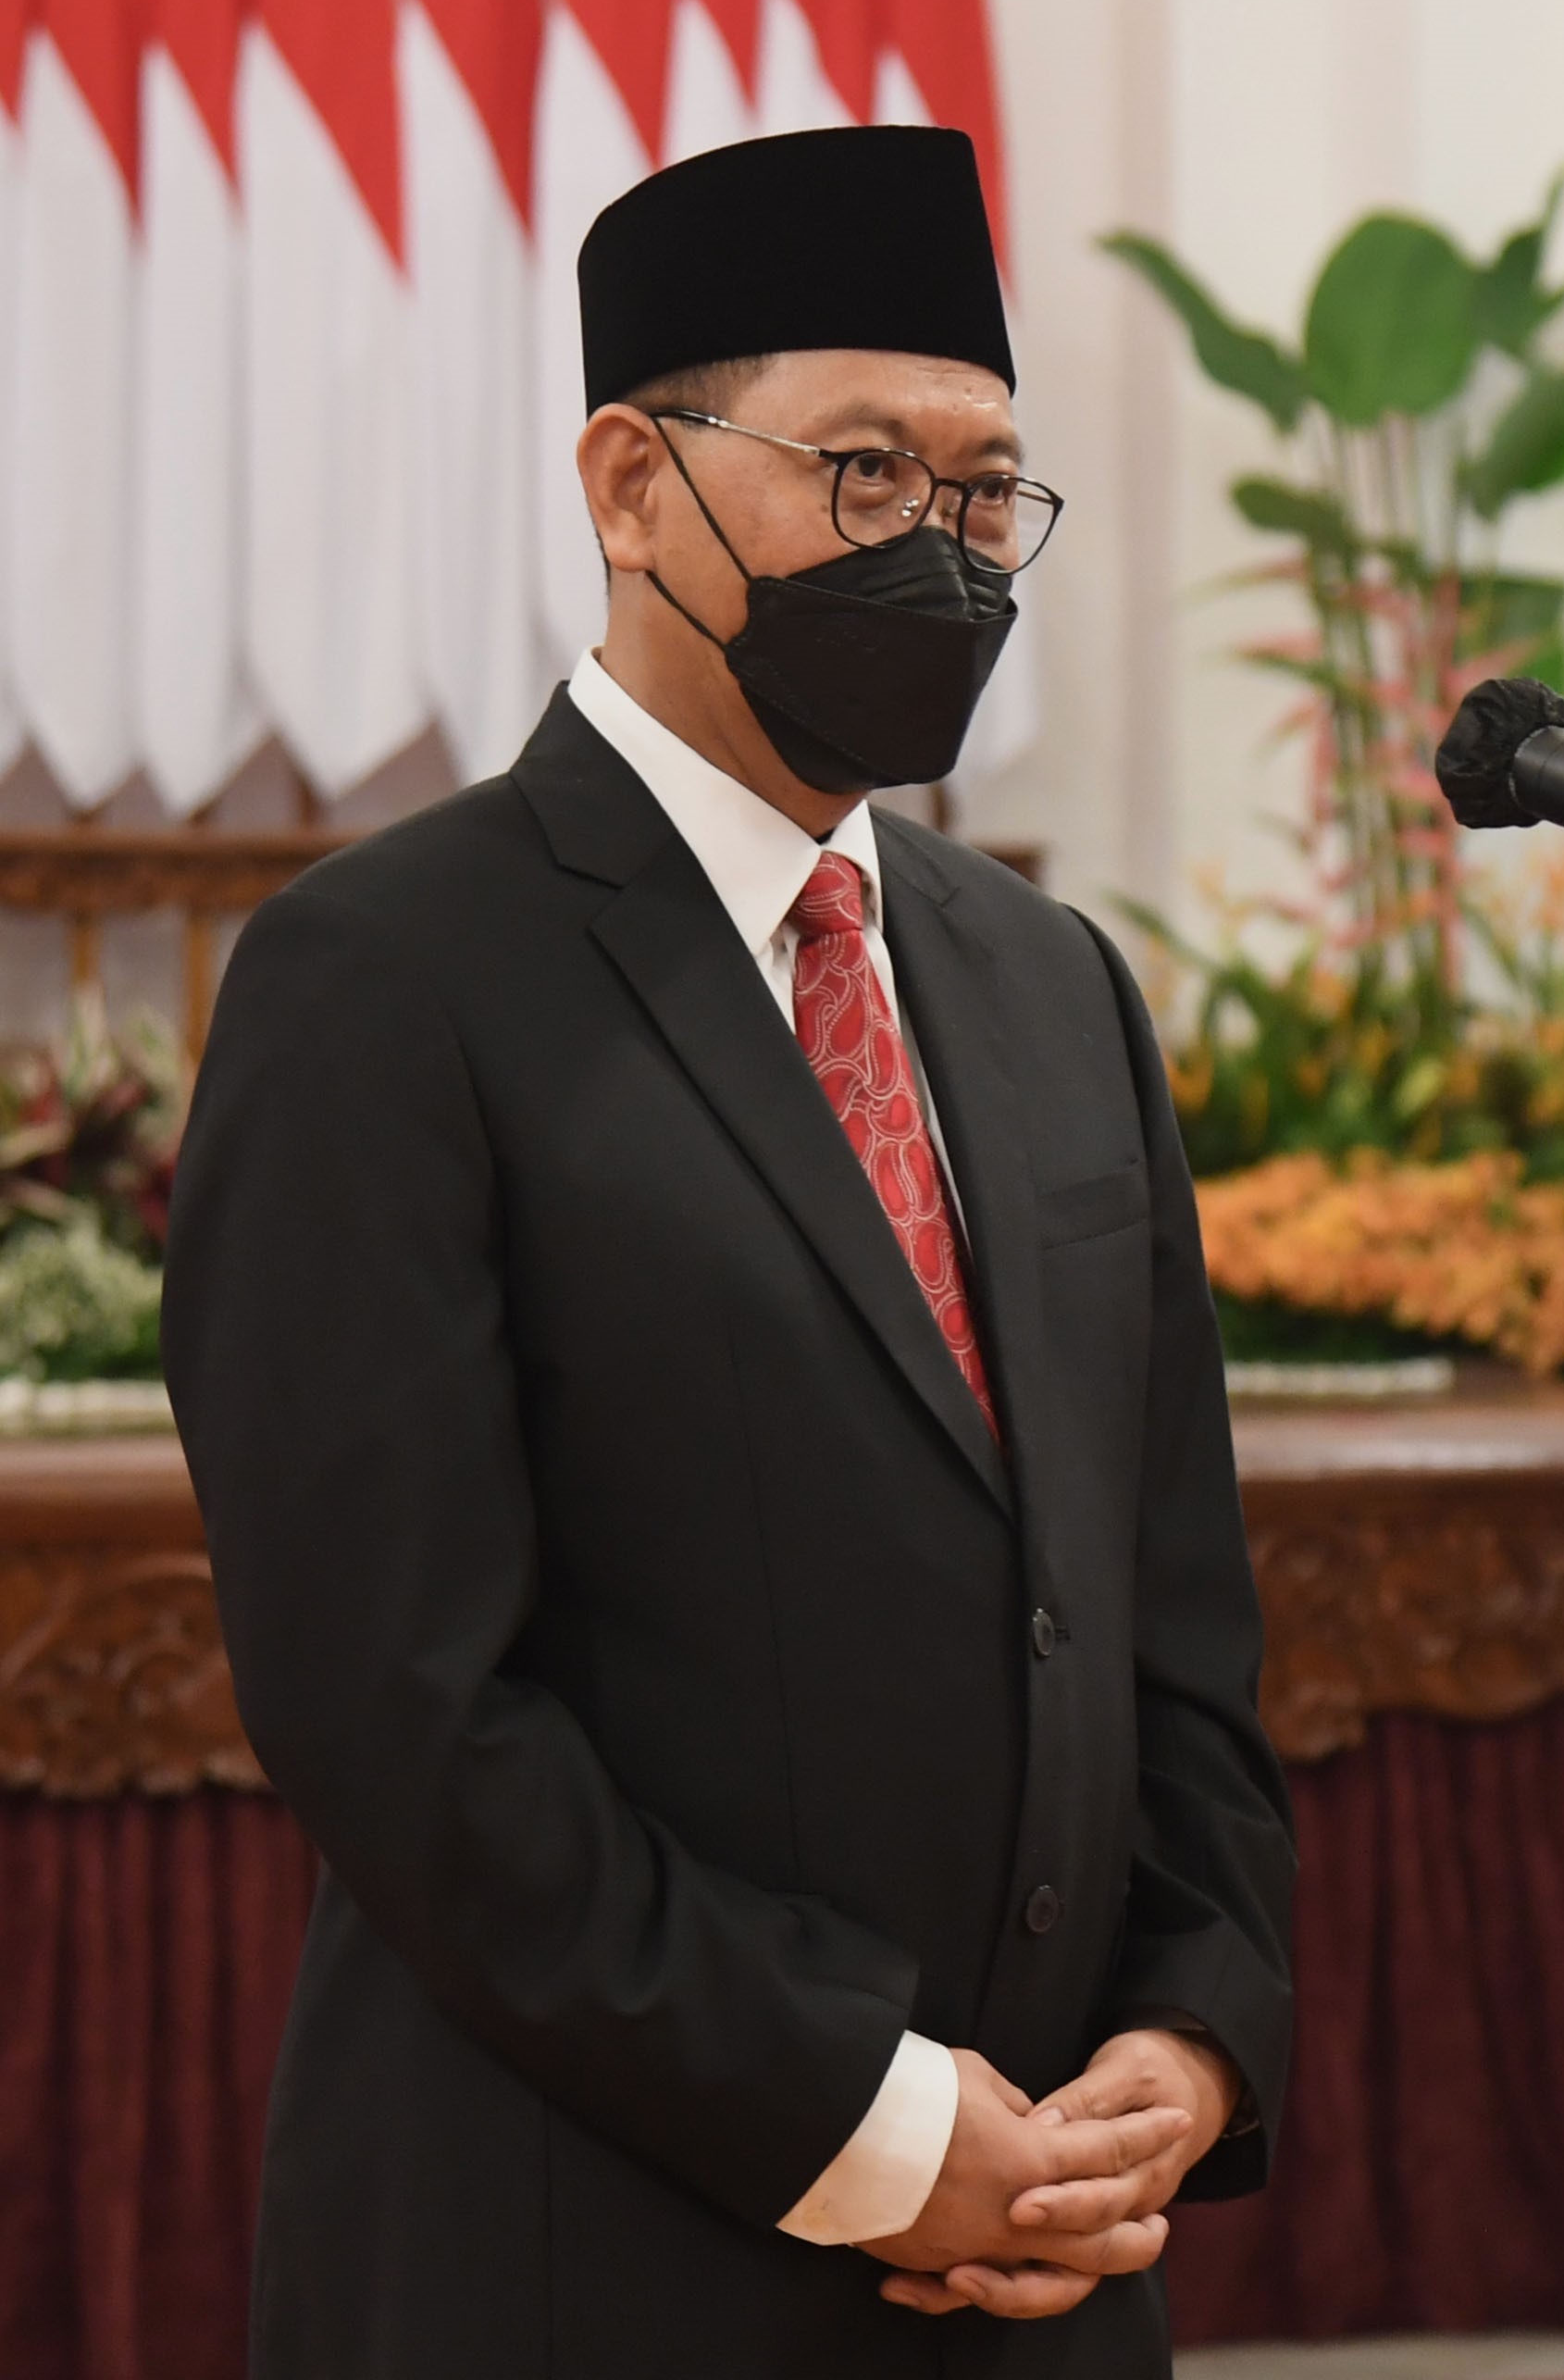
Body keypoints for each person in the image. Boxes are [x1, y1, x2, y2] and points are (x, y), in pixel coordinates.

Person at [164, 125, 1294, 2377]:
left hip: (1048, 2258)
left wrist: (1192, 2039)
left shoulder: (1051, 983)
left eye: (985, 493)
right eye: (862, 470)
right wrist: (871, 2117)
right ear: (629, 481)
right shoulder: (384, 977)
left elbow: (1170, 1621)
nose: (941, 549)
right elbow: (402, 1711)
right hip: (580, 2248)